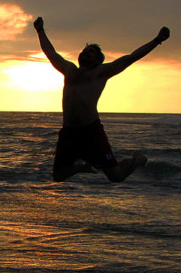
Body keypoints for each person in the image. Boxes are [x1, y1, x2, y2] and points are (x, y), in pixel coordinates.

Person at [33, 16, 170, 183]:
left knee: (116, 176)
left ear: (98, 61)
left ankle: (137, 160)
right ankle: (82, 167)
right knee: (58, 176)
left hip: (91, 131)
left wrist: (157, 40)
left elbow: (132, 57)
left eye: (91, 52)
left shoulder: (101, 73)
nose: (85, 52)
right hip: (68, 132)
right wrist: (40, 30)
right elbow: (50, 52)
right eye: (85, 50)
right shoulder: (69, 70)